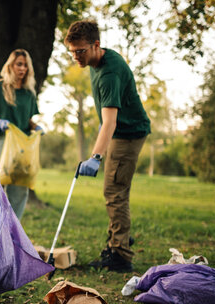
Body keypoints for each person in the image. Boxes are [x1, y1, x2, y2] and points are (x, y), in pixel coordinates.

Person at [64, 20, 150, 272]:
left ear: (96, 45)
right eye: (72, 52)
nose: (76, 57)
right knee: (114, 188)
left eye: (80, 51)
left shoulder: (109, 73)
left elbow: (110, 122)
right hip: (121, 132)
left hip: (128, 133)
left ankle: (120, 254)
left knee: (115, 191)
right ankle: (118, 238)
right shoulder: (97, 61)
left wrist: (95, 157)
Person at [0, 49, 43, 220]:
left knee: (20, 189)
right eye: (19, 64)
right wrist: (0, 122)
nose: (22, 68)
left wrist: (36, 127)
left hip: (21, 146)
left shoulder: (29, 93)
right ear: (10, 65)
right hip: (1, 142)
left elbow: (28, 120)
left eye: (25, 65)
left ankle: (12, 231)